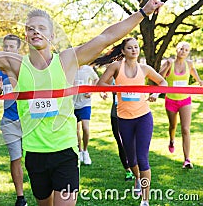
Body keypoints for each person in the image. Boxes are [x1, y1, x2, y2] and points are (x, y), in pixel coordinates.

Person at [0, 0, 165, 206]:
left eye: (41, 28)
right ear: (26, 35)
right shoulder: (15, 64)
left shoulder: (67, 60)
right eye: (30, 28)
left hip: (65, 152)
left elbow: (107, 36)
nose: (35, 31)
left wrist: (143, 12)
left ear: (51, 35)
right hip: (35, 154)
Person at [97, 37, 167, 206]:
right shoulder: (116, 67)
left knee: (143, 158)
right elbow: (101, 83)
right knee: (131, 159)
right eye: (130, 48)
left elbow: (163, 82)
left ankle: (145, 199)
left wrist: (155, 93)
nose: (134, 50)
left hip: (143, 117)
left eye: (136, 47)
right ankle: (137, 177)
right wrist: (114, 89)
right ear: (123, 51)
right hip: (124, 119)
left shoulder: (145, 68)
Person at [0, 34, 27, 206]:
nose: (7, 49)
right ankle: (20, 197)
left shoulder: (26, 66)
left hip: (28, 120)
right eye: (5, 46)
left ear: (18, 49)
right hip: (9, 120)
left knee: (36, 158)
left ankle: (41, 191)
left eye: (11, 47)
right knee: (15, 158)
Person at [159, 41, 203, 169]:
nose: (183, 52)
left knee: (185, 129)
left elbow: (198, 79)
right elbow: (159, 78)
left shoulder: (189, 64)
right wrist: (166, 66)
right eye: (181, 49)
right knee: (173, 126)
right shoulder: (169, 63)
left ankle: (187, 159)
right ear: (176, 50)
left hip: (185, 100)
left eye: (186, 50)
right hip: (171, 101)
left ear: (188, 52)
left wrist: (200, 82)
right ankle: (172, 140)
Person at [73, 65, 99, 165]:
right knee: (76, 130)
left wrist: (91, 91)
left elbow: (96, 79)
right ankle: (79, 151)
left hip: (85, 103)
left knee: (85, 128)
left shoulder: (88, 69)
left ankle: (85, 151)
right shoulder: (70, 68)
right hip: (72, 104)